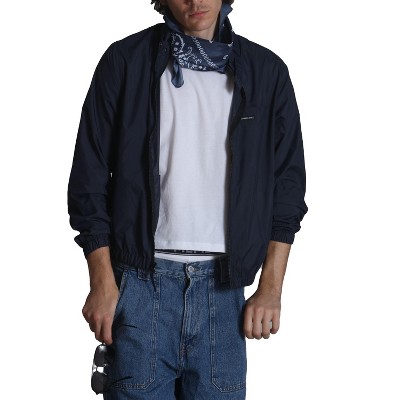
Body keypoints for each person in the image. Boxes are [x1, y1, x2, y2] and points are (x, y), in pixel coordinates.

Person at [67, 0, 308, 398]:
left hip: (224, 291)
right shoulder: (125, 61)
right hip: (139, 285)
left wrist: (270, 288)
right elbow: (88, 179)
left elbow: (287, 189)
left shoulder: (266, 72)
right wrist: (102, 282)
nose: (196, 2)